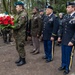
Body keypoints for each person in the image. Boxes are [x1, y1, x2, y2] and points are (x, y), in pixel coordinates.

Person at [58, 2, 75, 74]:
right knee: (63, 53)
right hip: (64, 39)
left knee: (69, 55)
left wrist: (73, 40)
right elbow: (61, 27)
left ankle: (68, 68)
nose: (66, 8)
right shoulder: (66, 16)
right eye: (67, 7)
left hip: (70, 40)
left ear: (73, 8)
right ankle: (63, 65)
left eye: (68, 7)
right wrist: (59, 36)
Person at [13, 1, 28, 66]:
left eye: (17, 7)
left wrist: (10, 26)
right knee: (17, 47)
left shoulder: (23, 14)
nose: (16, 8)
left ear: (20, 7)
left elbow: (19, 25)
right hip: (17, 34)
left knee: (20, 46)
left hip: (21, 34)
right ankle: (20, 58)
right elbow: (14, 22)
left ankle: (23, 60)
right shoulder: (18, 14)